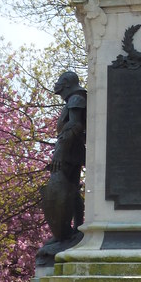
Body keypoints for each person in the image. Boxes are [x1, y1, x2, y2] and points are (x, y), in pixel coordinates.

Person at [40, 71, 87, 242]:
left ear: (66, 83)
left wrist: (60, 152)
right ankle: (74, 228)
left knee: (65, 187)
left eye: (59, 81)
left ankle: (67, 230)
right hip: (70, 148)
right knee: (72, 189)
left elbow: (75, 124)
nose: (56, 85)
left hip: (68, 150)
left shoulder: (76, 99)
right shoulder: (73, 99)